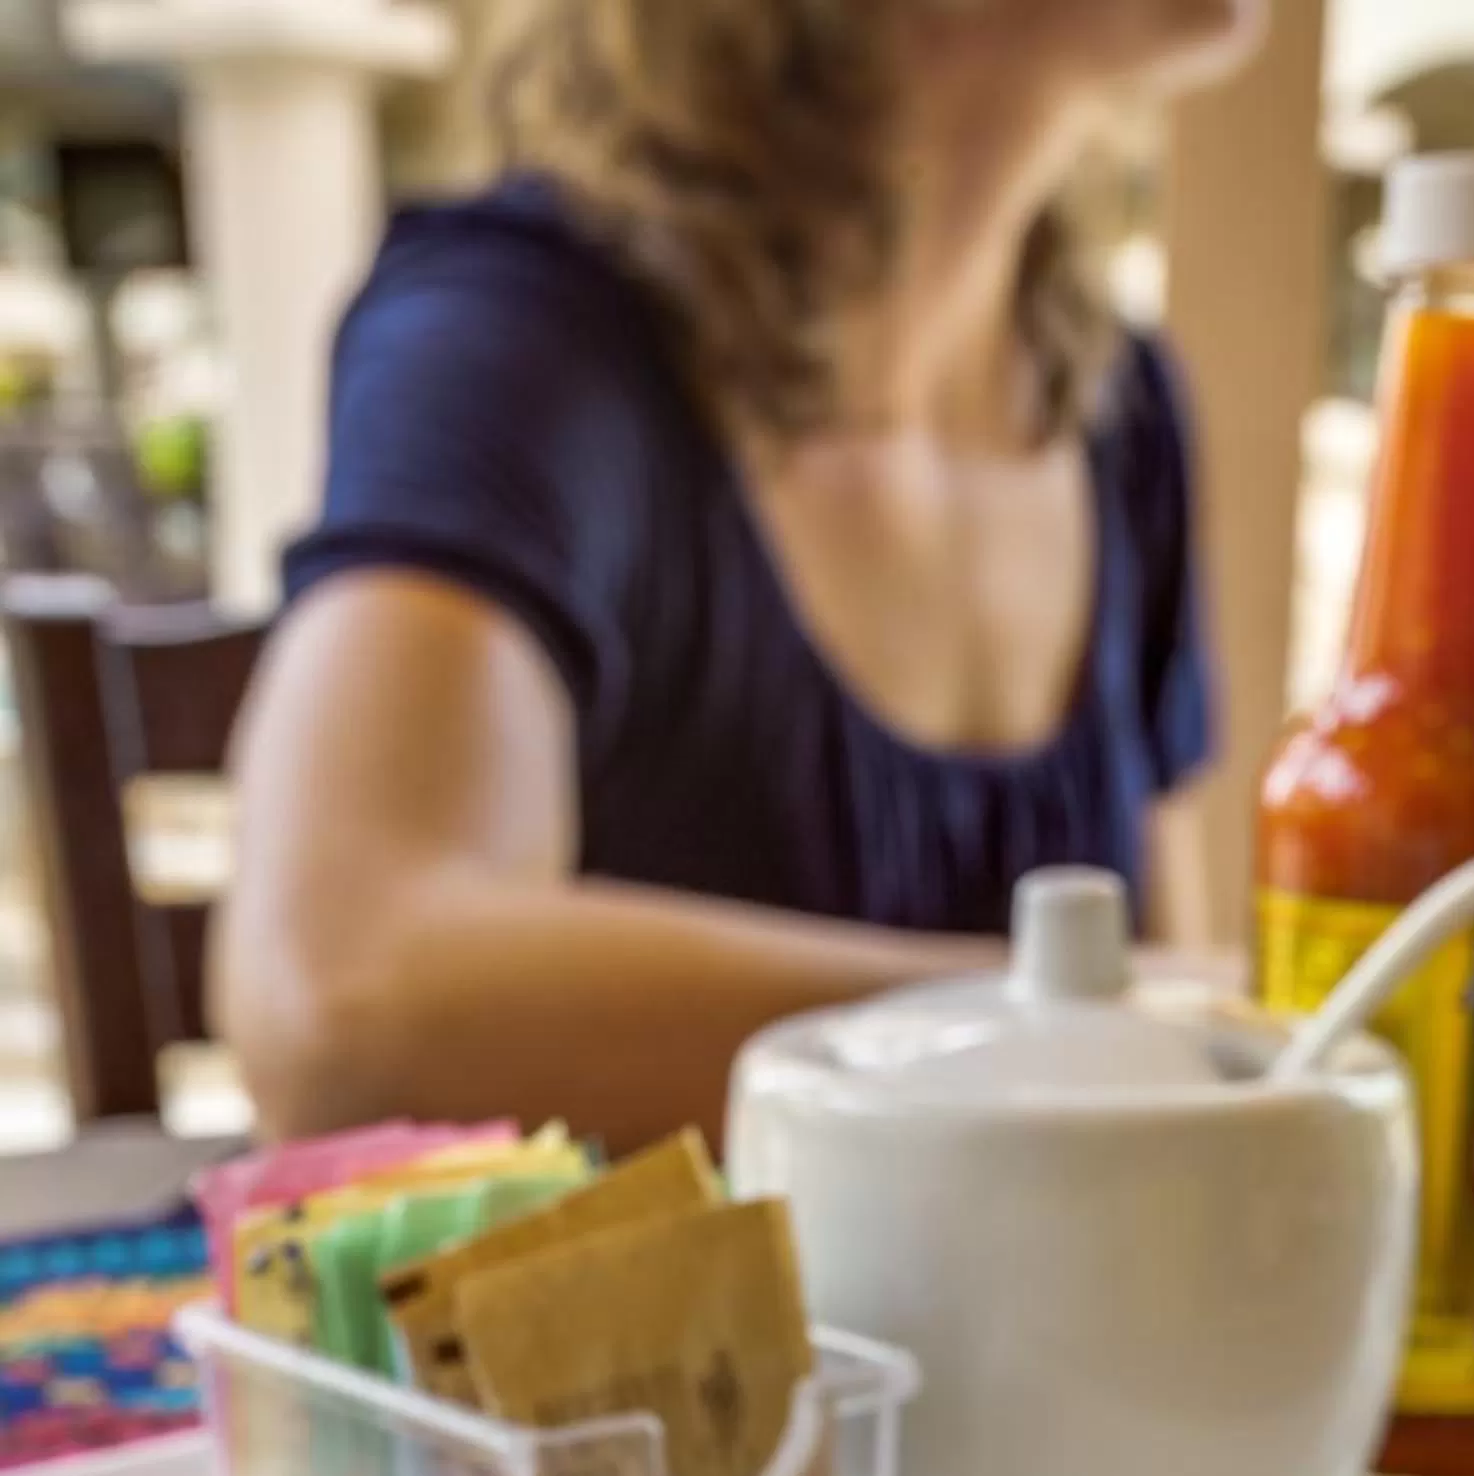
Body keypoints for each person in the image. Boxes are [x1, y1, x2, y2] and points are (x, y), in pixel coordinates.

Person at [218, 0, 1265, 1154]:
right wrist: (1068, 1026)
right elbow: (340, 1009)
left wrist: (1157, 1026)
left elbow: (1177, 1086)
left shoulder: (1125, 419)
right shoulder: (525, 342)